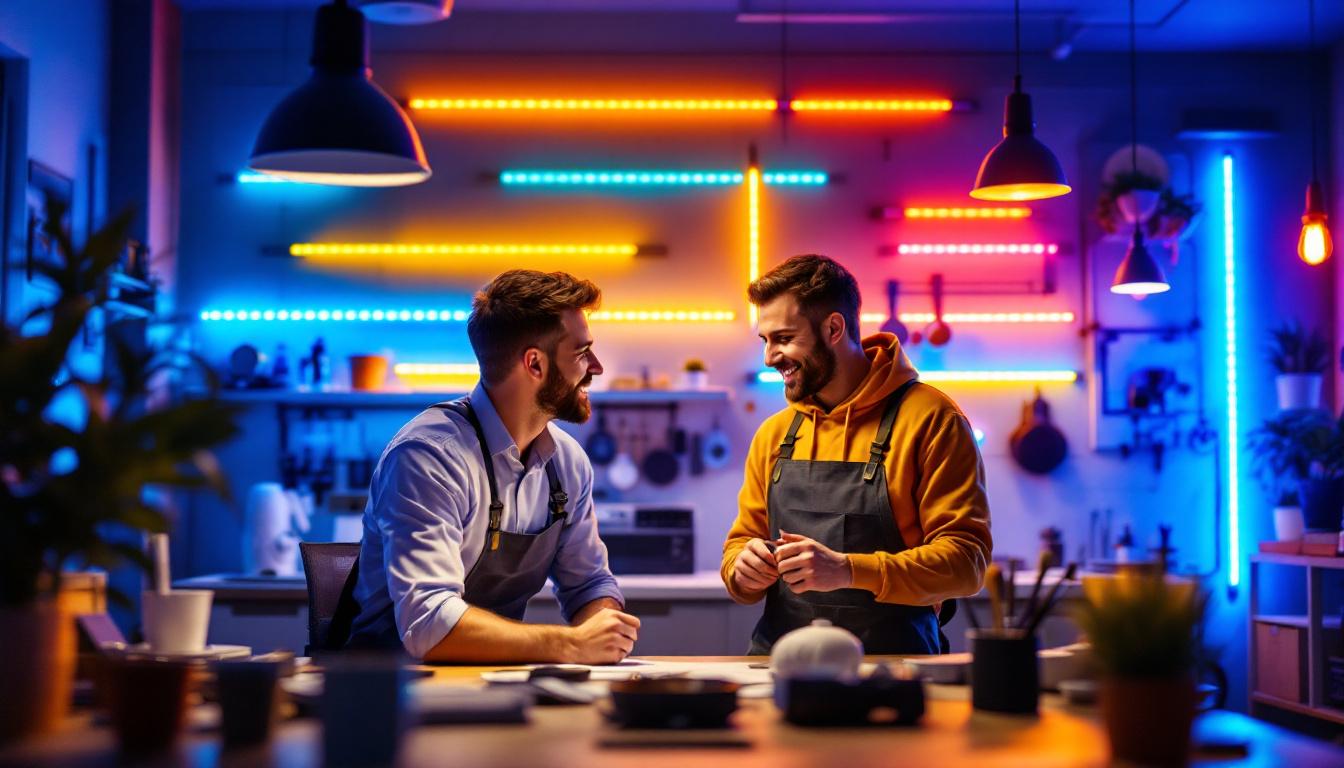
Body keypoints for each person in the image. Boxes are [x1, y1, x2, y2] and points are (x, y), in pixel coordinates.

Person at [346, 269, 639, 663]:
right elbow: (429, 624)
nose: (596, 367)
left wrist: (602, 630)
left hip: (494, 680)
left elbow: (589, 584)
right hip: (393, 690)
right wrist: (570, 644)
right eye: (581, 352)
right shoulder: (427, 457)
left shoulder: (568, 463)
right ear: (534, 364)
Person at [721, 254, 991, 654]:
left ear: (833, 328)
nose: (769, 357)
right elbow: (740, 544)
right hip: (780, 667)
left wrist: (848, 570)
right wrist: (743, 570)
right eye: (766, 341)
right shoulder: (775, 434)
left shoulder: (932, 419)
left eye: (783, 338)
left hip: (897, 668)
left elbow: (966, 563)